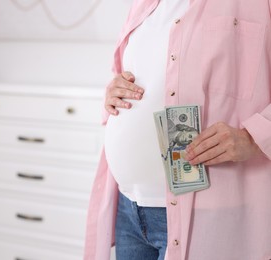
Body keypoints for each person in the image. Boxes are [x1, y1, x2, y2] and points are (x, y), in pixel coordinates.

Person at [84, 0, 271, 259]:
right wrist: (114, 90)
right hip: (129, 209)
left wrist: (252, 137)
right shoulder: (143, 4)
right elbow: (133, 73)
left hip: (206, 216)